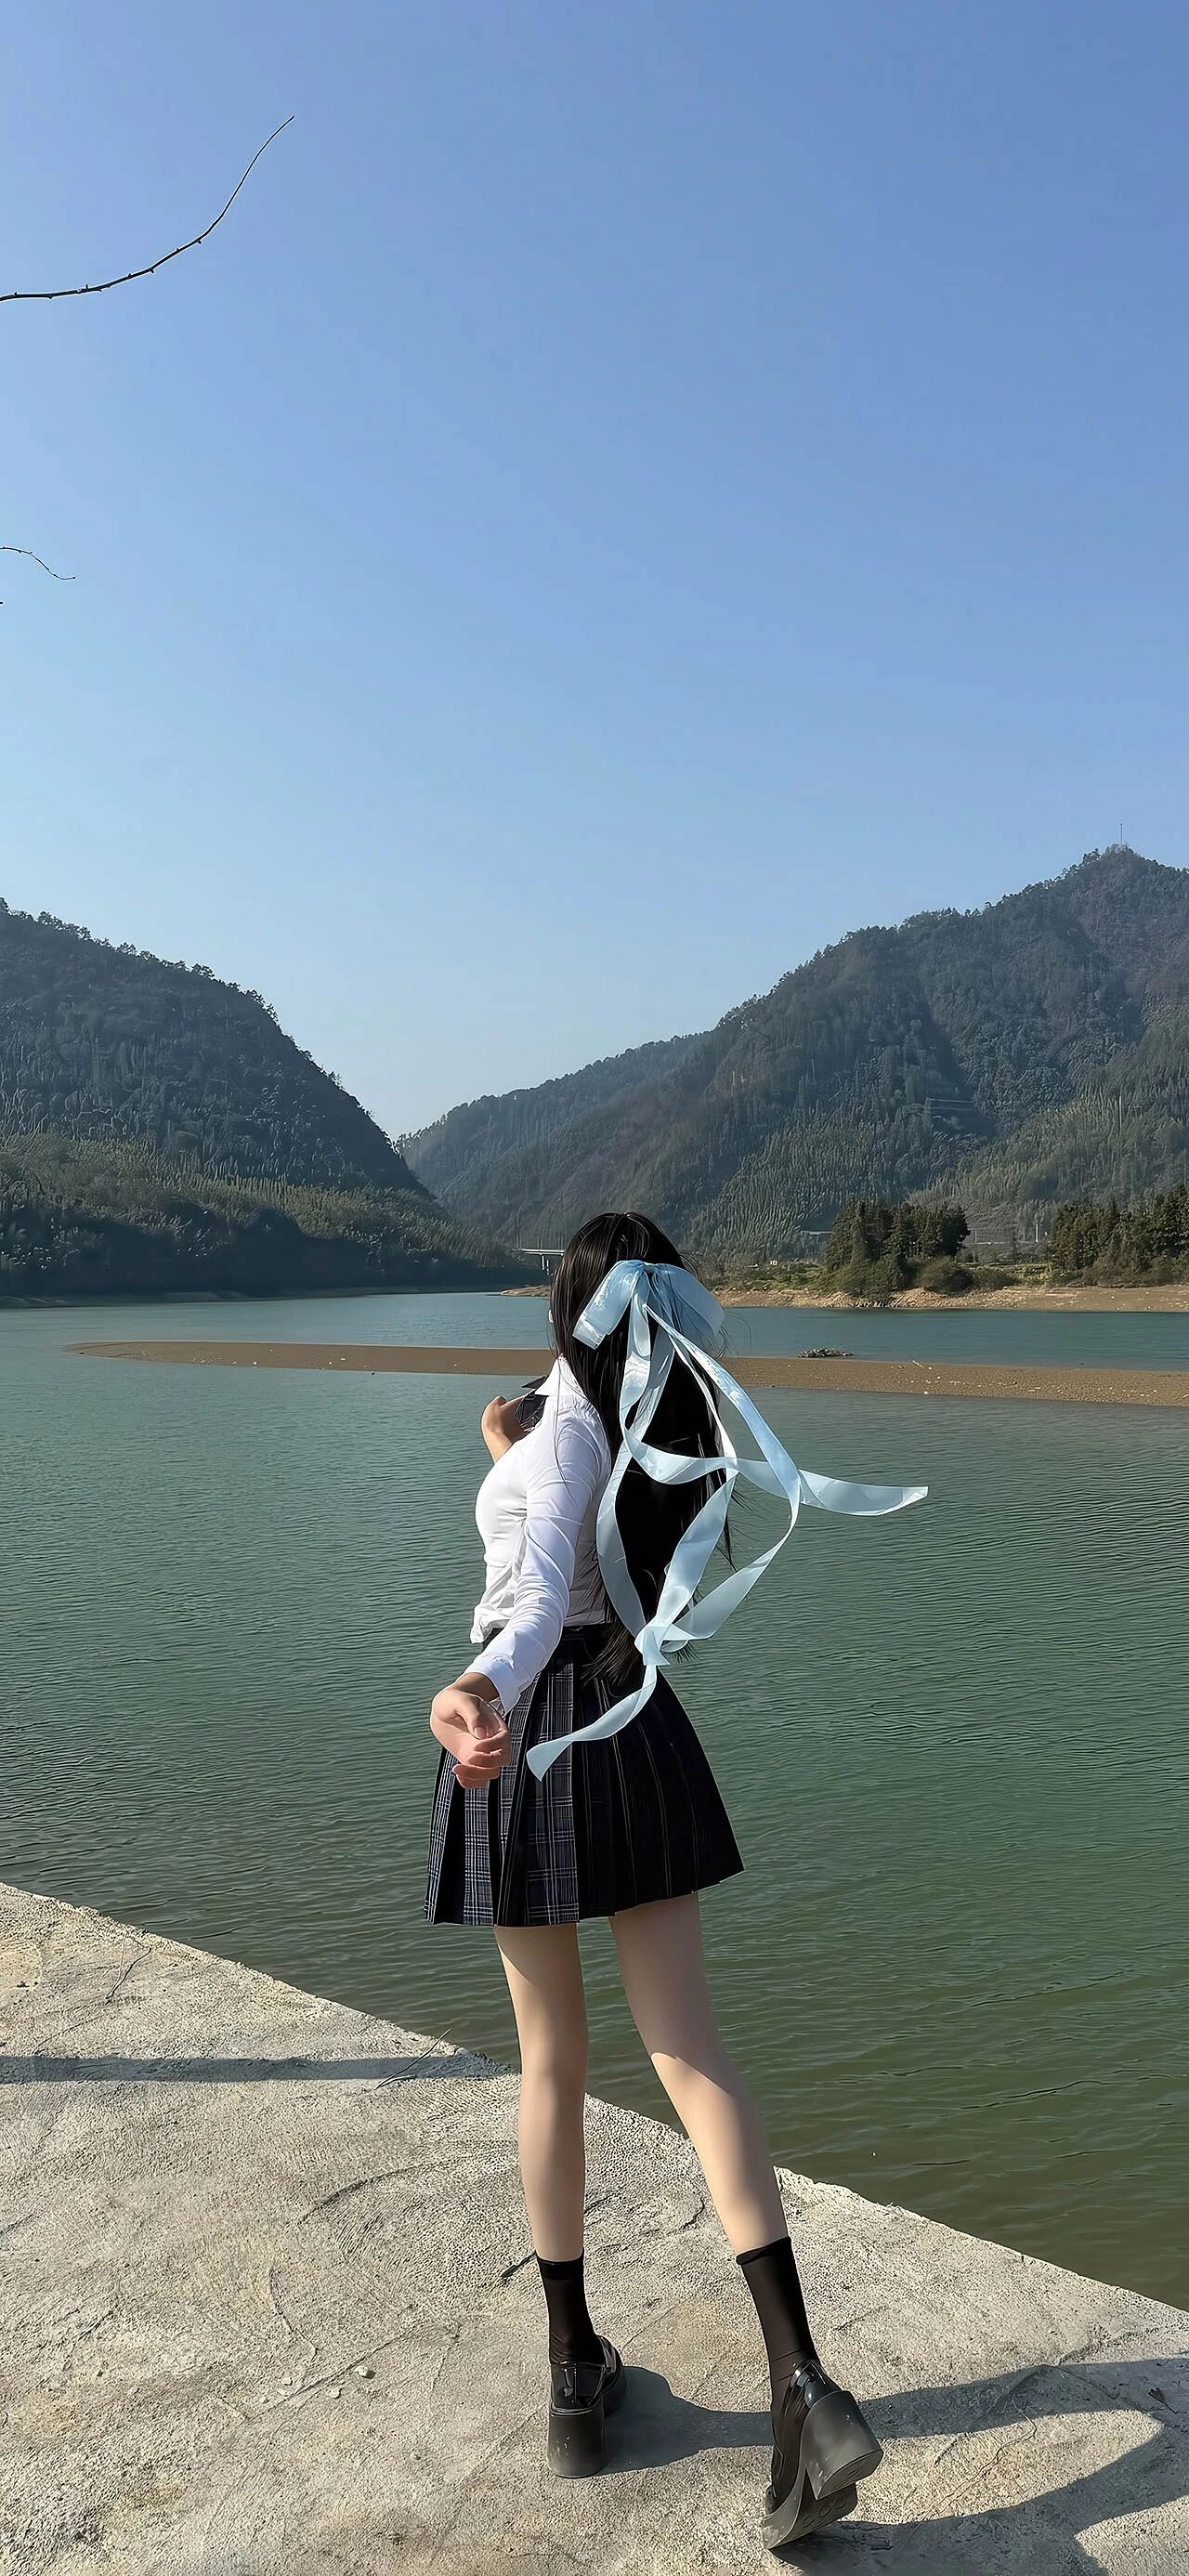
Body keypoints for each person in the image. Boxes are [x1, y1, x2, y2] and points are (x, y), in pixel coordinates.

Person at [424, 1210, 925, 2548]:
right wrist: (514, 1450)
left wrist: (471, 1687)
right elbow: (581, 1530)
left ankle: (572, 2369)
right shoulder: (654, 1433)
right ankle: (801, 2379)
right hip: (630, 1727)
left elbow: (537, 1595)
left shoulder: (569, 1435)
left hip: (535, 1734)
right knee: (692, 2053)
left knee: (552, 2060)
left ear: (571, 1306)